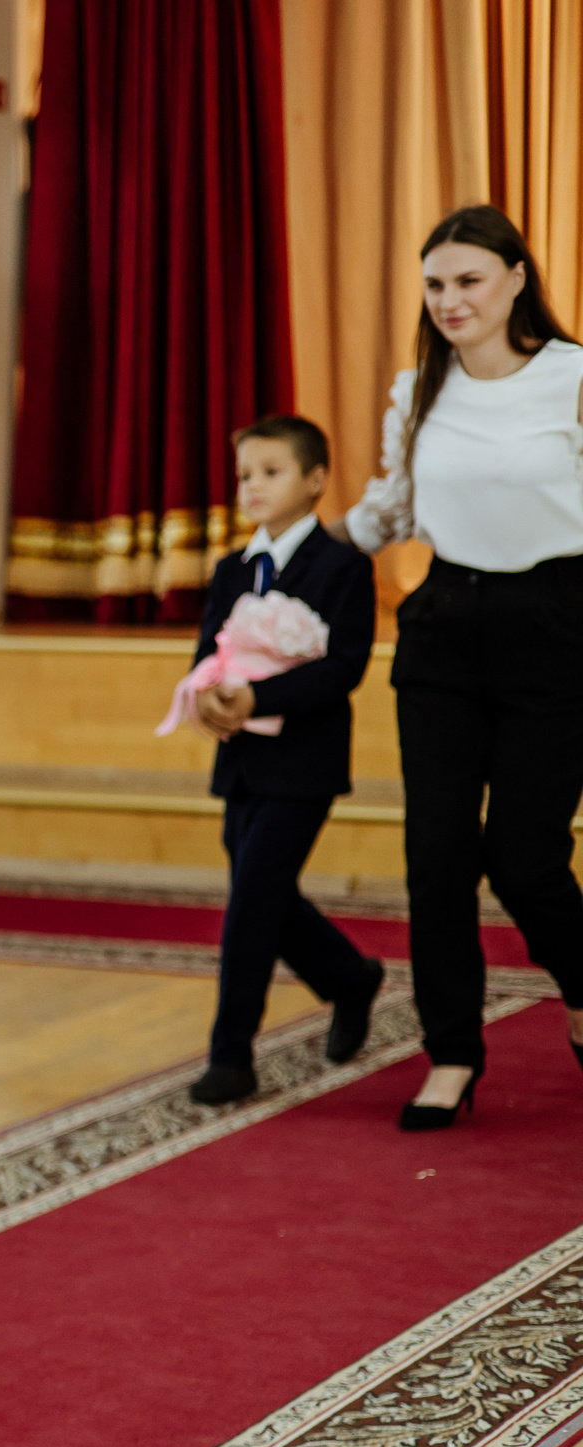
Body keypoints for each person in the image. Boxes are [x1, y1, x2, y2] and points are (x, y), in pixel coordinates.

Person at [325, 205, 583, 1126]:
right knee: (434, 858)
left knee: (524, 857)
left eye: (469, 280)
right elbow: (388, 511)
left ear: (517, 276)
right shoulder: (418, 388)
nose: (449, 300)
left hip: (554, 626)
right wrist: (291, 556)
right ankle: (452, 1054)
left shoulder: (573, 377)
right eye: (435, 284)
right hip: (441, 628)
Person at [183, 417, 384, 1106]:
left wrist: (259, 696)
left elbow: (344, 667)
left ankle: (230, 1056)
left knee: (253, 898)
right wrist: (208, 696)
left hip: (304, 761)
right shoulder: (232, 570)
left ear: (315, 480)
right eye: (245, 475)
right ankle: (351, 980)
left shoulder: (341, 566)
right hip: (241, 761)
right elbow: (209, 651)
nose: (253, 486)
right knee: (264, 893)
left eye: (271, 472)